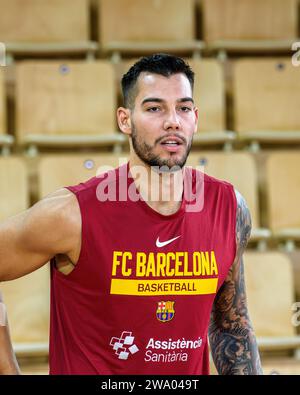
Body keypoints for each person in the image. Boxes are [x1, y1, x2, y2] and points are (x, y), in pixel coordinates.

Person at [0, 53, 262, 375]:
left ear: (195, 117)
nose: (172, 121)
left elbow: (231, 326)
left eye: (183, 108)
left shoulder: (229, 208)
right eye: (154, 108)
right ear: (125, 120)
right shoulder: (72, 214)